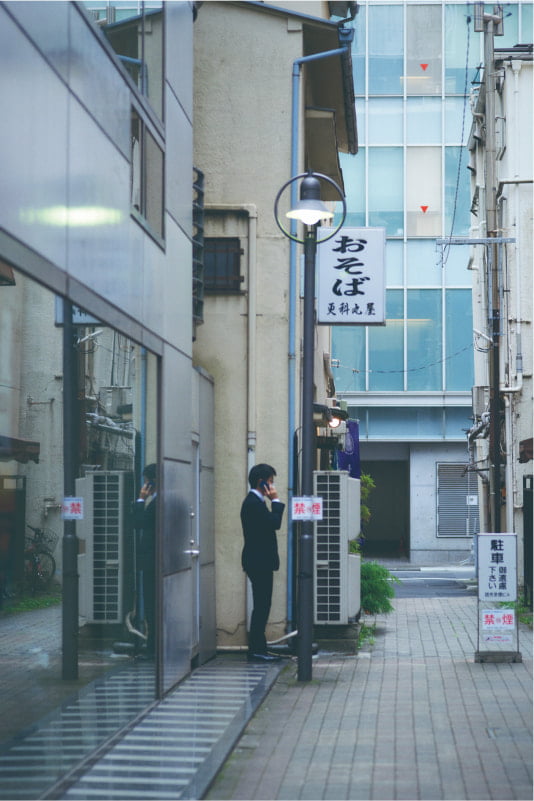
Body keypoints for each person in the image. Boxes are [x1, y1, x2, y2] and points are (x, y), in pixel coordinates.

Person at [241, 463, 285, 663]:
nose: (273, 486)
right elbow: (274, 523)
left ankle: (260, 648)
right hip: (259, 561)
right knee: (261, 606)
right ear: (262, 483)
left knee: (262, 605)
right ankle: (257, 650)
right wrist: (276, 500)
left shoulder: (256, 502)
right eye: (270, 482)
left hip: (259, 561)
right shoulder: (253, 503)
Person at [132, 463, 157, 656]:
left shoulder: (155, 503)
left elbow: (138, 523)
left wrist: (140, 500)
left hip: (153, 561)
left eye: (147, 481)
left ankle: (153, 647)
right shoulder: (161, 501)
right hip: (158, 560)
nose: (145, 485)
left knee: (152, 604)